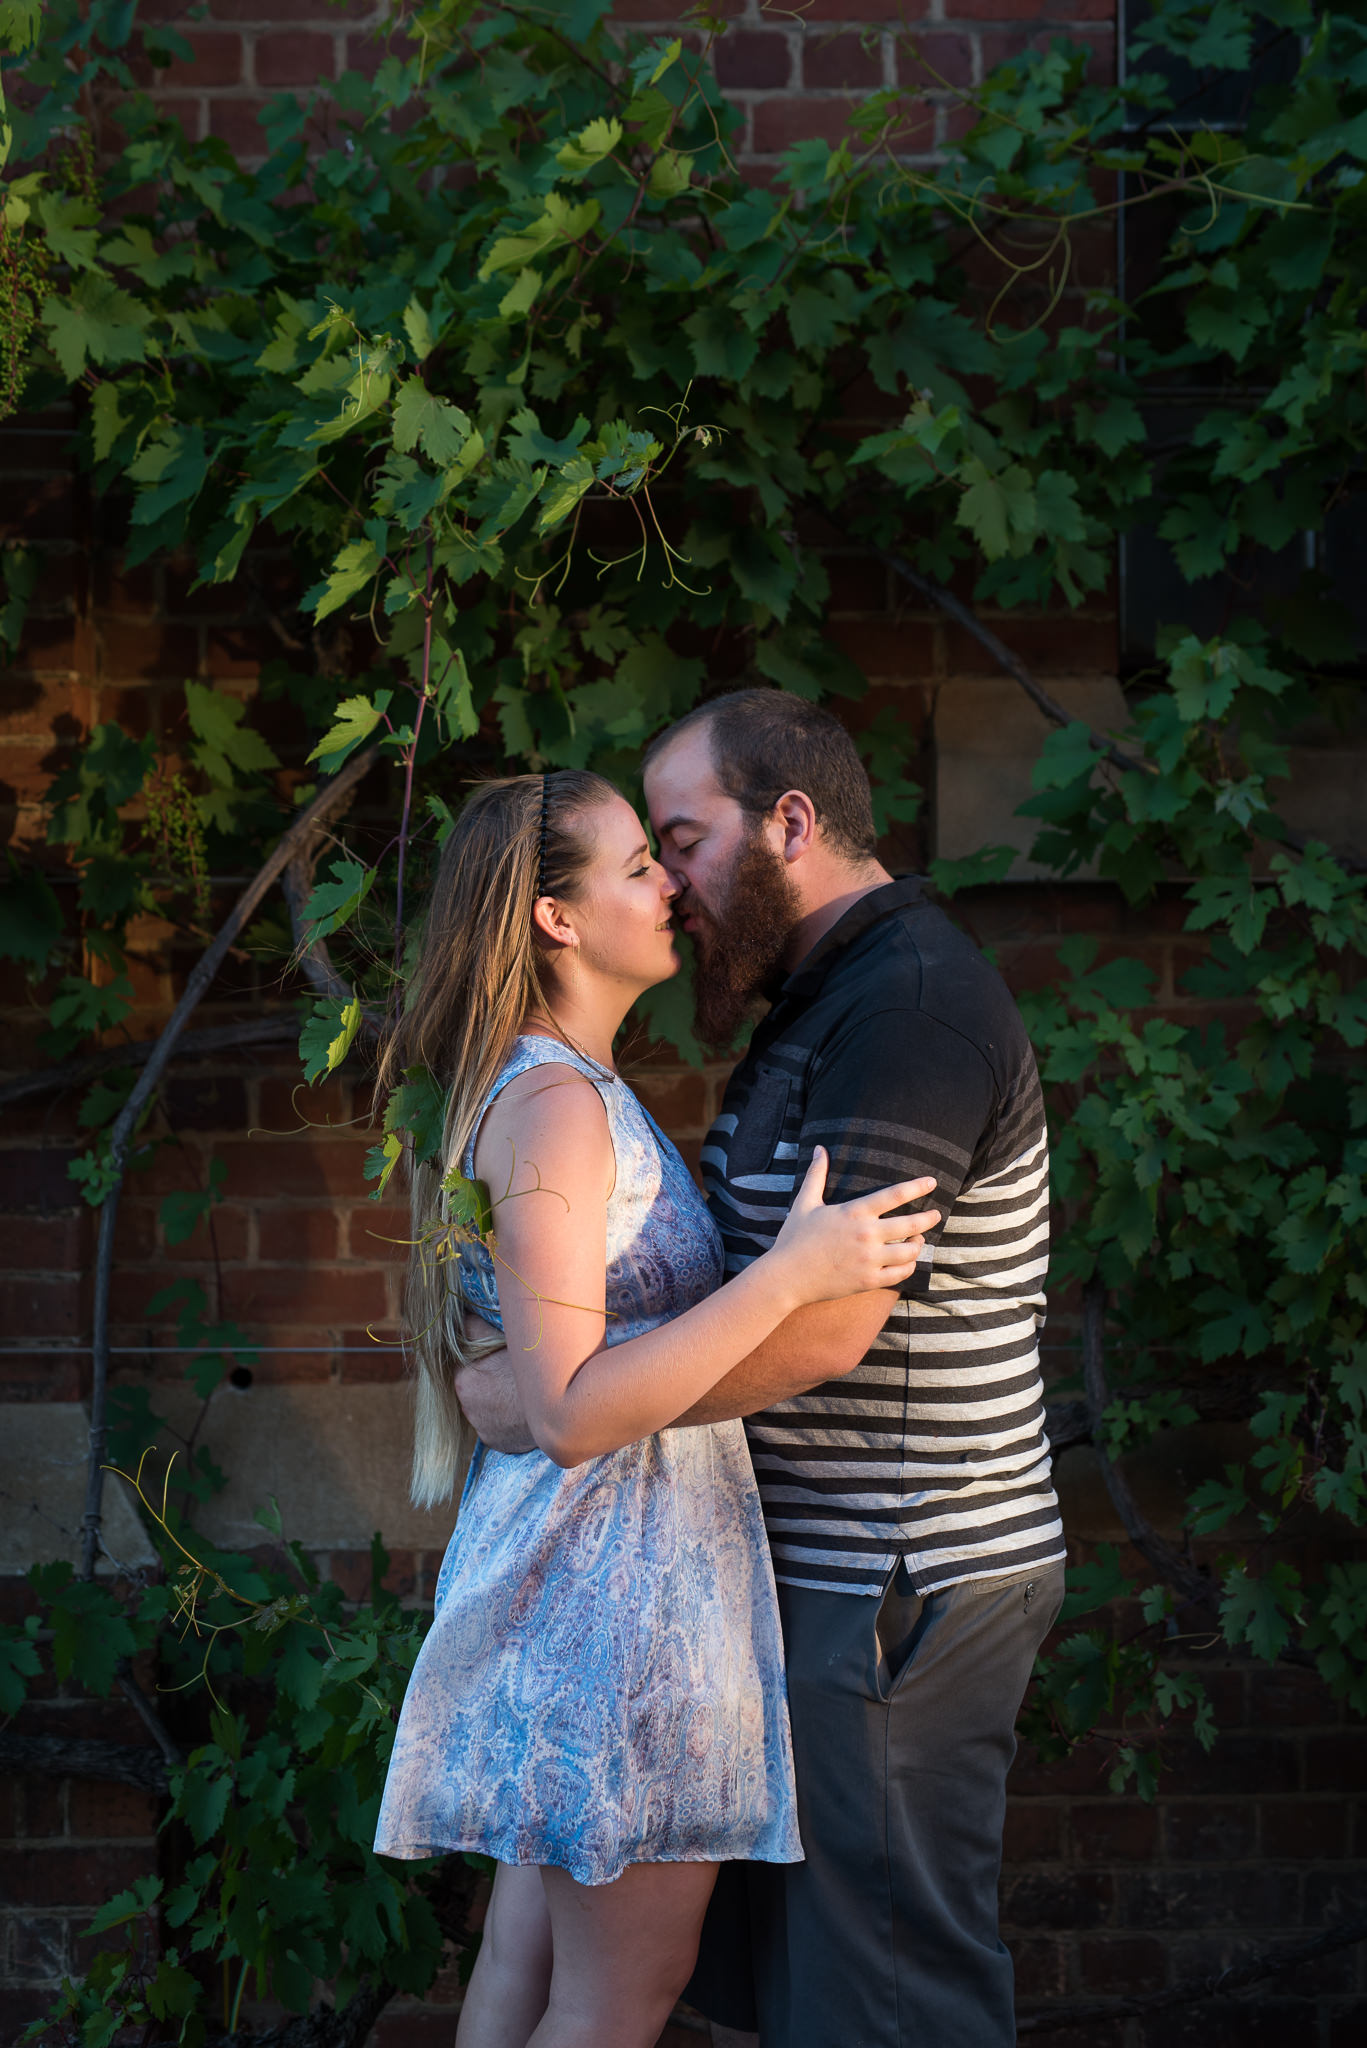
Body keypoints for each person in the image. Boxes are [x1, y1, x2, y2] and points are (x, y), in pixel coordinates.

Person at [459, 692, 1068, 2048]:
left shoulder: (905, 1011)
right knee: (802, 1996)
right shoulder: (812, 1004)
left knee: (886, 1997)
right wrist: (531, 1389)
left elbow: (820, 1325)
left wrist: (557, 1403)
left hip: (896, 1585)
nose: (668, 879)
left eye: (681, 837)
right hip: (799, 1588)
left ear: (789, 822)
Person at [370, 767, 941, 2048]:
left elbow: (544, 1383)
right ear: (552, 918)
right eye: (637, 866)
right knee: (617, 1997)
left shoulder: (555, 1089)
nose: (671, 886)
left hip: (586, 1587)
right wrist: (789, 1276)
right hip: (615, 1612)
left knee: (523, 1970)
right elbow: (573, 1411)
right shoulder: (558, 1107)